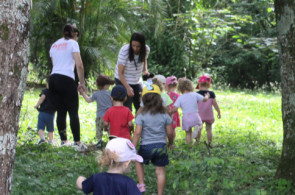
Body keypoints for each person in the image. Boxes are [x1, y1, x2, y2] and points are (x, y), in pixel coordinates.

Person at [48, 24, 86, 149]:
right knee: (73, 112)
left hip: (53, 79)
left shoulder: (54, 45)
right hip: (66, 78)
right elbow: (79, 65)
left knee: (61, 112)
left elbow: (55, 66)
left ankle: (64, 141)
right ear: (74, 33)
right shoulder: (73, 43)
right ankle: (77, 142)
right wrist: (82, 83)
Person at [132, 84, 174, 195]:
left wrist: (132, 147)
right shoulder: (164, 114)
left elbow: (137, 133)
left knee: (138, 160)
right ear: (160, 99)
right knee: (160, 172)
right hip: (161, 146)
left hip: (146, 146)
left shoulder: (141, 115)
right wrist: (171, 143)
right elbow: (170, 132)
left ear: (143, 100)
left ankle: (141, 184)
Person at [76, 137, 143, 195]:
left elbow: (81, 185)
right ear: (127, 163)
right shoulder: (129, 183)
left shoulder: (96, 178)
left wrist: (80, 178)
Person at [114, 32, 150, 112]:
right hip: (122, 80)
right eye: (133, 45)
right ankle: (128, 124)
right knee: (127, 108)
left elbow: (144, 59)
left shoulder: (146, 49)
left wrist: (145, 70)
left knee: (141, 106)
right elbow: (120, 73)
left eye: (138, 46)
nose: (135, 48)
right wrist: (127, 87)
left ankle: (140, 124)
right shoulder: (125, 51)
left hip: (137, 80)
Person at [80, 75, 115, 148]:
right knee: (110, 130)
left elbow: (88, 100)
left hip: (99, 116)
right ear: (105, 86)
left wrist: (83, 93)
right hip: (109, 117)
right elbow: (114, 103)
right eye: (108, 84)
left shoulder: (96, 94)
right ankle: (111, 141)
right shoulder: (110, 93)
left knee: (99, 130)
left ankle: (99, 141)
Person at [171, 78, 209, 145]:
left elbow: (175, 108)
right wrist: (207, 96)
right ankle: (197, 141)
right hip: (195, 115)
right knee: (200, 125)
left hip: (186, 117)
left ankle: (189, 146)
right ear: (191, 86)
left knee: (188, 133)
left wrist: (170, 111)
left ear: (180, 88)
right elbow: (204, 100)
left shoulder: (180, 97)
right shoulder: (194, 94)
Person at [196, 75, 221, 147]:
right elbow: (215, 104)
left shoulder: (197, 94)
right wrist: (218, 112)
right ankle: (210, 142)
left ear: (199, 84)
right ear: (209, 85)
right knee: (209, 129)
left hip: (199, 116)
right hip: (209, 115)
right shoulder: (211, 94)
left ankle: (197, 142)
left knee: (199, 129)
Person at [34, 78, 56, 145]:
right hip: (51, 114)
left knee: (40, 127)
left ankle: (42, 139)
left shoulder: (45, 91)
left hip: (42, 113)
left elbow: (42, 97)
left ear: (47, 84)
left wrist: (37, 105)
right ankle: (51, 141)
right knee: (51, 129)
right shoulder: (56, 94)